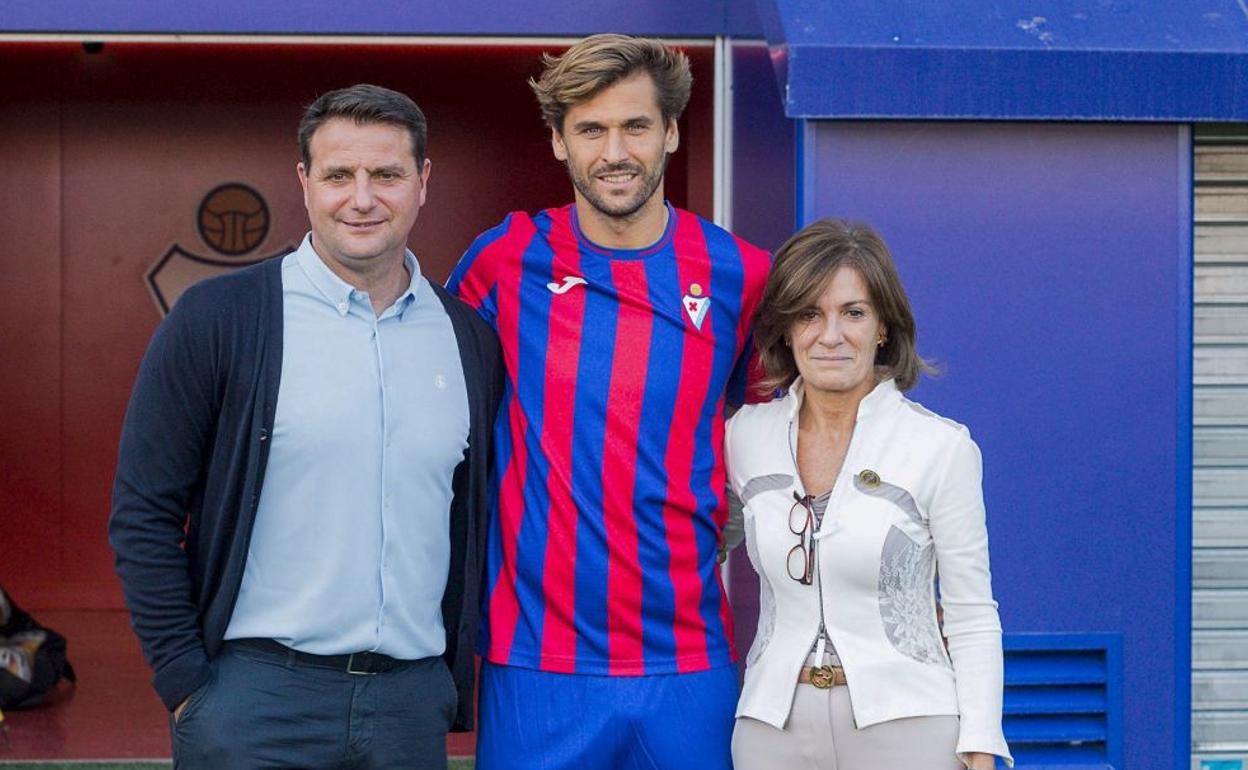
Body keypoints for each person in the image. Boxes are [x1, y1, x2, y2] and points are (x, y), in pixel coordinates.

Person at [109, 84, 502, 770]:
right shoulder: (218, 321)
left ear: (423, 181)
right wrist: (185, 684)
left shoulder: (468, 338)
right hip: (254, 702)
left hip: (408, 707)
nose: (362, 197)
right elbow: (143, 512)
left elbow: (474, 511)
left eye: (386, 174)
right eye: (338, 175)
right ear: (304, 182)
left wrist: (443, 682)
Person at [447, 34, 771, 770]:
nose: (614, 151)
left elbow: (768, 430)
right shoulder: (505, 259)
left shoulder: (739, 275)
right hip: (535, 657)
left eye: (635, 126)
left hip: (688, 655)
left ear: (673, 133)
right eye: (590, 129)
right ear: (559, 143)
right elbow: (428, 404)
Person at [724, 219, 1012, 769]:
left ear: (883, 328)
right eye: (810, 313)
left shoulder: (939, 447)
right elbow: (700, 545)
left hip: (910, 730)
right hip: (771, 732)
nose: (830, 335)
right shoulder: (744, 437)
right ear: (785, 328)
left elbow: (972, 612)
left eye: (853, 313)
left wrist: (980, 740)